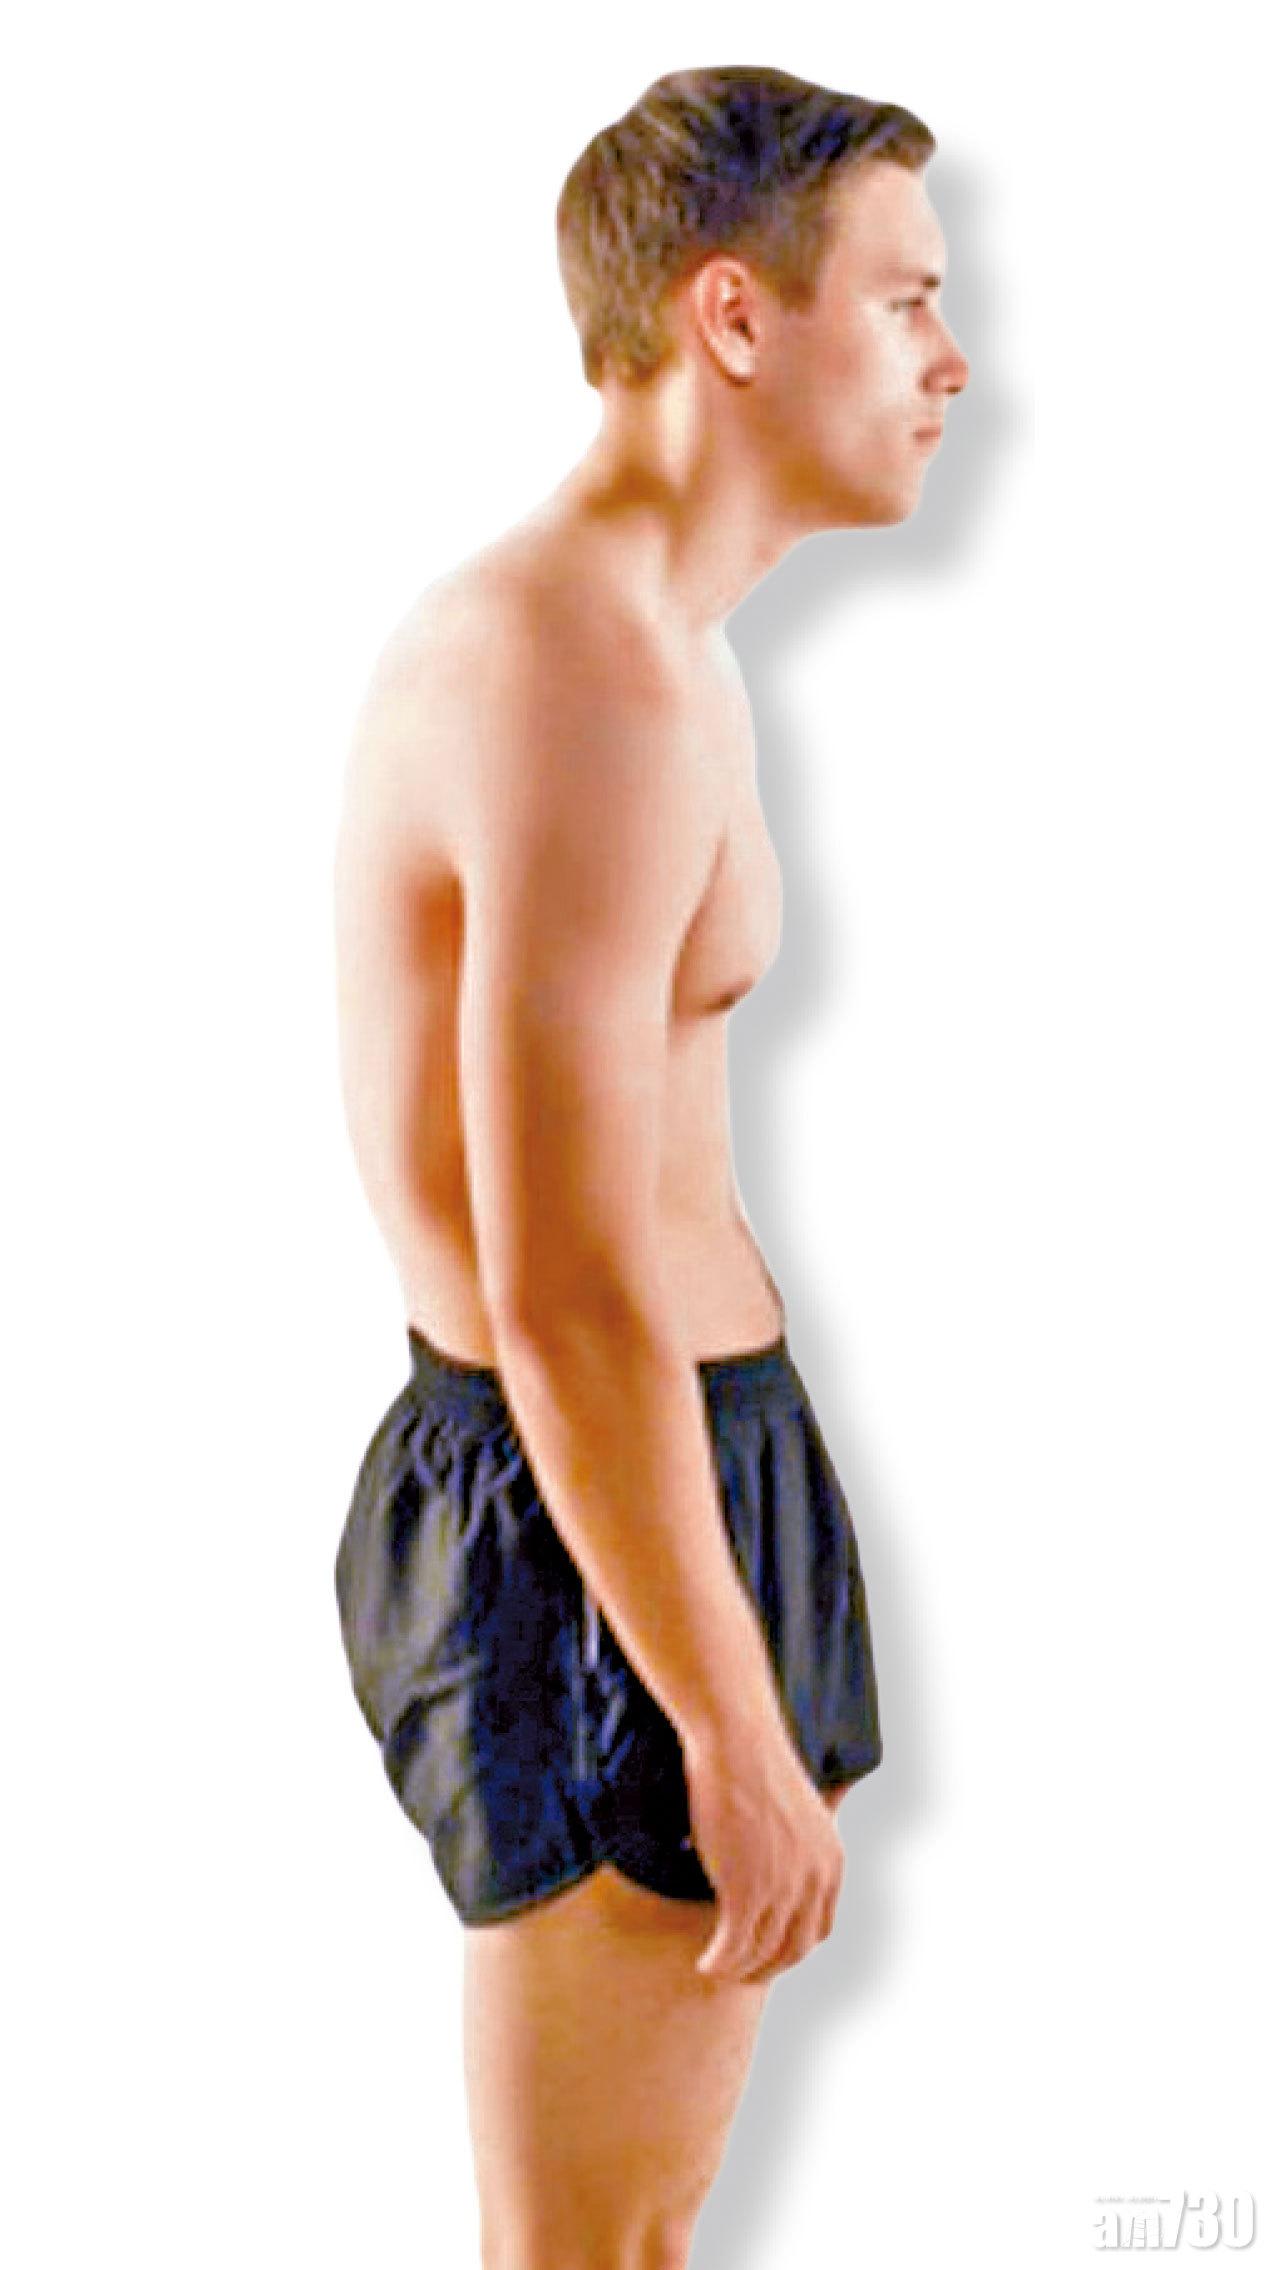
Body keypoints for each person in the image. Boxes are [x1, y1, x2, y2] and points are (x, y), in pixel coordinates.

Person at [332, 62, 969, 2270]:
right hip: (593, 1500)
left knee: (645, 2226)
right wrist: (720, 1713)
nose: (949, 358)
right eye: (903, 298)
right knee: (584, 2246)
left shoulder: (662, 649)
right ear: (731, 316)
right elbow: (563, 1276)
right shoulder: (568, 664)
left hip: (687, 1461)